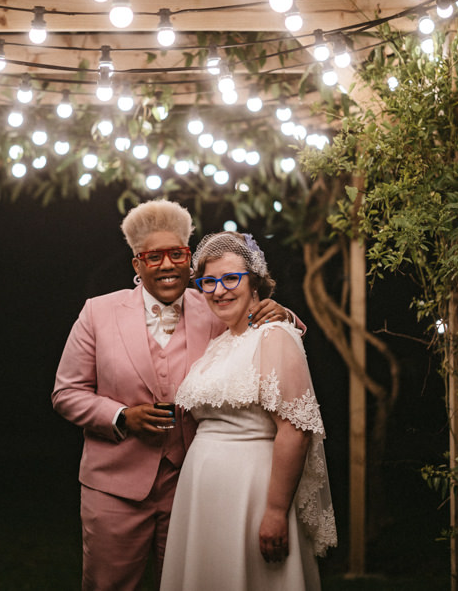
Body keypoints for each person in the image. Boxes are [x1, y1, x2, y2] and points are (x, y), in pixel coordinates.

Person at [52, 200, 298, 591]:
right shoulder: (98, 313)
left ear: (189, 260)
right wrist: (121, 416)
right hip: (115, 485)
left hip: (190, 485)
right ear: (137, 264)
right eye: (153, 257)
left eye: (176, 254)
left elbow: (268, 338)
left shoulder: (217, 305)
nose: (166, 265)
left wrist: (281, 313)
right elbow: (66, 392)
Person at [159, 231, 337, 591]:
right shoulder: (219, 343)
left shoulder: (274, 335)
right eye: (208, 281)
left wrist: (274, 511)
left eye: (230, 278)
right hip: (203, 497)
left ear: (254, 281)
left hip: (252, 493)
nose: (219, 290)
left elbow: (295, 430)